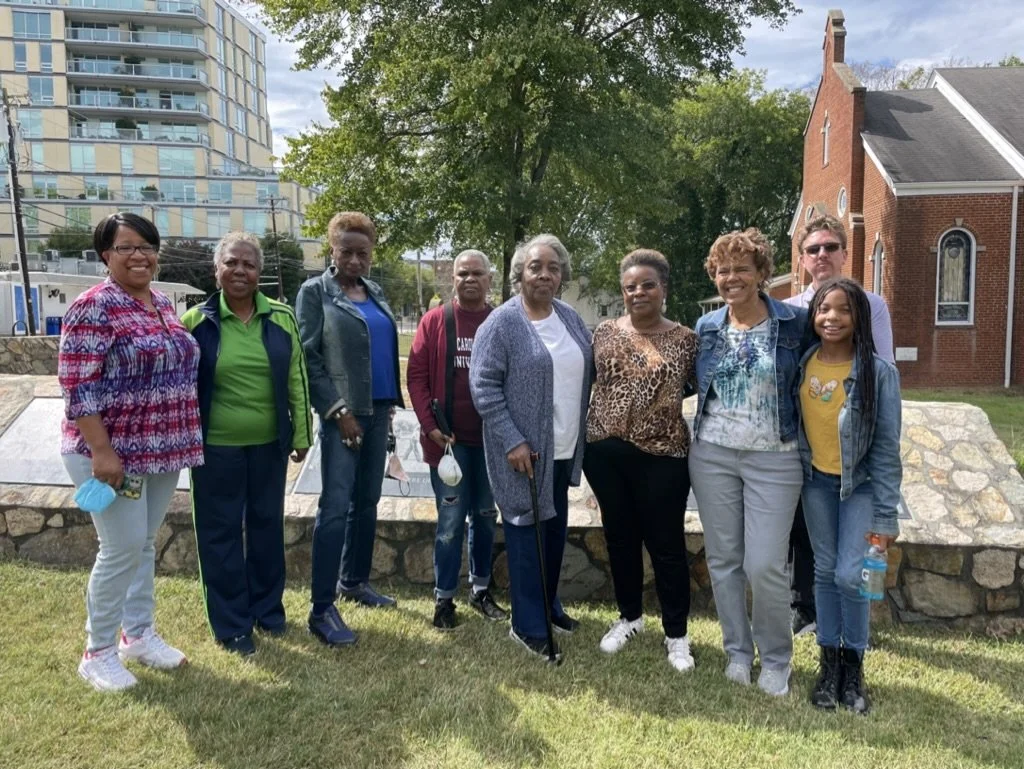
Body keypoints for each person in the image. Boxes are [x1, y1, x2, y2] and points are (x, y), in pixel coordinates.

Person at [59, 212, 203, 691]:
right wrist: (103, 452)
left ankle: (137, 635)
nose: (139, 255)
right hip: (108, 451)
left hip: (161, 448)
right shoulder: (93, 306)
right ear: (105, 255)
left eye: (147, 246)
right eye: (126, 247)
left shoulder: (162, 303)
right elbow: (78, 386)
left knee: (142, 543)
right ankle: (96, 652)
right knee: (119, 548)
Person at [182, 232, 313, 657]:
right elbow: (181, 388)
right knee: (219, 535)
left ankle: (267, 611)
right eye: (231, 263)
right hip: (214, 448)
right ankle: (231, 624)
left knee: (265, 529)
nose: (240, 271)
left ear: (260, 272)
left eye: (249, 264)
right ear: (216, 270)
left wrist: (300, 435)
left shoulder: (281, 318)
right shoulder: (195, 323)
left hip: (268, 447)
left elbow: (297, 377)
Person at [689, 228, 807, 696]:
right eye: (722, 270)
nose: (730, 277)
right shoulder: (707, 328)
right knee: (724, 560)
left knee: (765, 565)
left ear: (762, 273)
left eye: (741, 268)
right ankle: (737, 652)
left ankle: (776, 658)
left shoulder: (795, 324)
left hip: (776, 458)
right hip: (713, 454)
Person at [470, 234, 593, 660]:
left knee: (554, 531)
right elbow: (483, 388)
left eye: (553, 267)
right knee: (526, 534)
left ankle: (547, 604)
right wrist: (512, 440)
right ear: (519, 273)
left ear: (562, 276)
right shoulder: (502, 324)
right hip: (523, 454)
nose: (544, 274)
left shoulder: (570, 318)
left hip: (562, 448)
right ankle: (527, 626)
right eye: (535, 266)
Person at [583, 249, 699, 672]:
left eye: (647, 284)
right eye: (630, 286)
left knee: (666, 546)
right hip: (604, 454)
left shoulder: (686, 339)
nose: (638, 292)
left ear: (664, 289)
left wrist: (654, 408)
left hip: (663, 456)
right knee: (620, 539)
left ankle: (677, 636)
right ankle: (629, 617)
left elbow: (696, 386)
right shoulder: (604, 332)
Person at [296, 211, 404, 647]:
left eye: (363, 252)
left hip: (378, 411)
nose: (355, 260)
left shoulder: (374, 292)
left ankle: (353, 581)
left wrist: (389, 406)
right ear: (332, 250)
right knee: (336, 505)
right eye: (347, 251)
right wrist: (338, 412)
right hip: (344, 416)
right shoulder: (314, 292)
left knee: (368, 500)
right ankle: (322, 608)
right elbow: (309, 357)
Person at [785, 215, 895, 639]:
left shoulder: (871, 305)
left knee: (848, 565)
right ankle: (808, 613)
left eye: (831, 247)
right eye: (813, 249)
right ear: (802, 259)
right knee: (810, 541)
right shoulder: (791, 310)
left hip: (856, 457)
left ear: (846, 253)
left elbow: (881, 371)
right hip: (809, 449)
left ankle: (851, 642)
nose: (822, 255)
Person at [798, 277, 902, 715]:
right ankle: (828, 666)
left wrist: (885, 517)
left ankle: (854, 666)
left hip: (858, 487)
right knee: (823, 571)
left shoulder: (878, 373)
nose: (832, 318)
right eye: (824, 309)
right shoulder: (804, 363)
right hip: (816, 483)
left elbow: (886, 449)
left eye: (843, 310)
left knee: (850, 575)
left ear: (859, 316)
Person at [408, 249, 509, 629]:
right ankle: (443, 599)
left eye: (477, 273)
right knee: (450, 522)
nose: (469, 279)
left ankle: (481, 590)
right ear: (453, 278)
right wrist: (428, 423)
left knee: (485, 517)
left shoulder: (501, 322)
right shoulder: (435, 321)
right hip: (447, 445)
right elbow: (416, 376)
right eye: (462, 273)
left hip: (490, 444)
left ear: (489, 278)